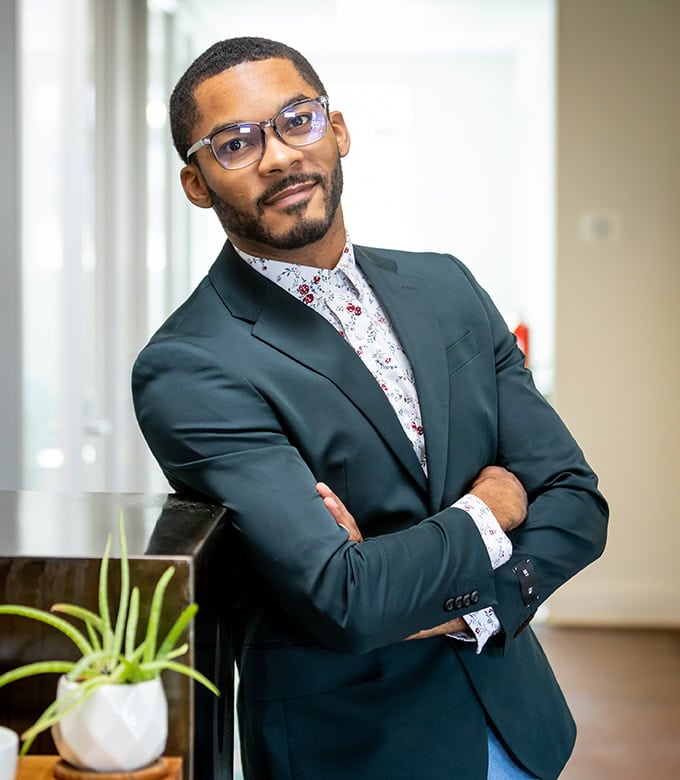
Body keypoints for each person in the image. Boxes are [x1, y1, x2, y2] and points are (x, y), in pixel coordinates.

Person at [132, 36, 608, 780]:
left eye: (298, 119)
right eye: (235, 142)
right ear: (197, 183)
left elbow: (576, 501)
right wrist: (490, 510)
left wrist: (466, 608)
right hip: (354, 748)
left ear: (338, 129)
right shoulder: (191, 365)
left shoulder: (446, 286)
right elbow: (344, 598)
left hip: (517, 720)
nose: (280, 155)